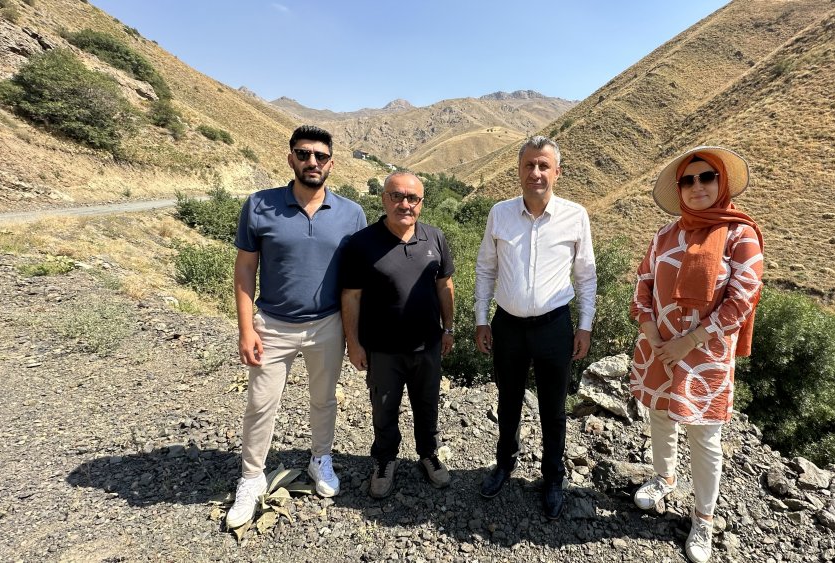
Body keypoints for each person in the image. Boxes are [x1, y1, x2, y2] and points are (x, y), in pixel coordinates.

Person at [226, 125, 367, 529]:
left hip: (328, 324)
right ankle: (252, 477)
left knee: (324, 399)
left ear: (331, 164)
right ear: (291, 158)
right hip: (272, 324)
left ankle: (320, 458)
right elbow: (245, 269)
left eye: (320, 156)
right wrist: (246, 328)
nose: (312, 162)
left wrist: (357, 335)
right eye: (303, 154)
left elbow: (358, 281)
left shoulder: (351, 213)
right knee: (260, 403)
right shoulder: (259, 205)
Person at [629, 146, 764, 562]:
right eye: (688, 180)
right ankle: (664, 477)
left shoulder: (740, 235)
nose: (697, 185)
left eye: (707, 177)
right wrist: (654, 335)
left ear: (722, 183)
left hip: (705, 356)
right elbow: (643, 285)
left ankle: (703, 517)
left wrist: (687, 343)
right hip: (658, 347)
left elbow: (742, 299)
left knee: (704, 436)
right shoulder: (664, 235)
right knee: (660, 415)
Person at [474, 136, 597, 520]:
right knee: (508, 401)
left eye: (544, 165)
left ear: (557, 172)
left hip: (554, 327)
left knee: (553, 409)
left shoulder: (575, 216)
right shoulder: (500, 213)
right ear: (519, 170)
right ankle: (504, 465)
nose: (536, 172)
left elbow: (586, 276)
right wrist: (481, 319)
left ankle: (553, 478)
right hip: (508, 326)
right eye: (529, 165)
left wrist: (585, 326)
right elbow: (486, 268)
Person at [340, 171, 456, 499]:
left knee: (427, 405)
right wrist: (353, 343)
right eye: (397, 196)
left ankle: (429, 454)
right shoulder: (362, 243)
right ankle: (384, 460)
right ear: (384, 199)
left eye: (412, 198)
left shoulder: (435, 238)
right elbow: (351, 296)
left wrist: (448, 328)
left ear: (421, 203)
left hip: (428, 346)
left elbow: (445, 285)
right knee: (384, 409)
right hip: (382, 350)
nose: (405, 204)